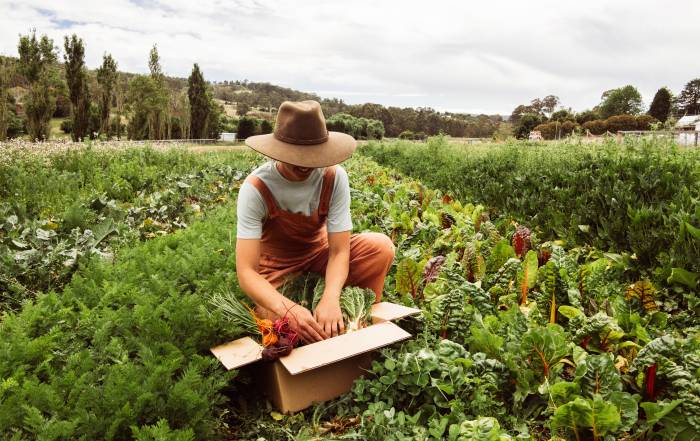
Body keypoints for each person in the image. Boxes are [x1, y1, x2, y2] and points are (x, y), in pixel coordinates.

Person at [235, 100, 395, 344]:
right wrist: (288, 309)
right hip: (278, 274)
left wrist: (330, 297)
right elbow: (247, 272)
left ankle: (360, 318)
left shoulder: (334, 177)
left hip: (320, 258)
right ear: (279, 149)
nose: (305, 164)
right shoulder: (256, 188)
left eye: (311, 155)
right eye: (297, 156)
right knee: (286, 332)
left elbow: (339, 250)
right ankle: (306, 314)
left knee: (380, 247)